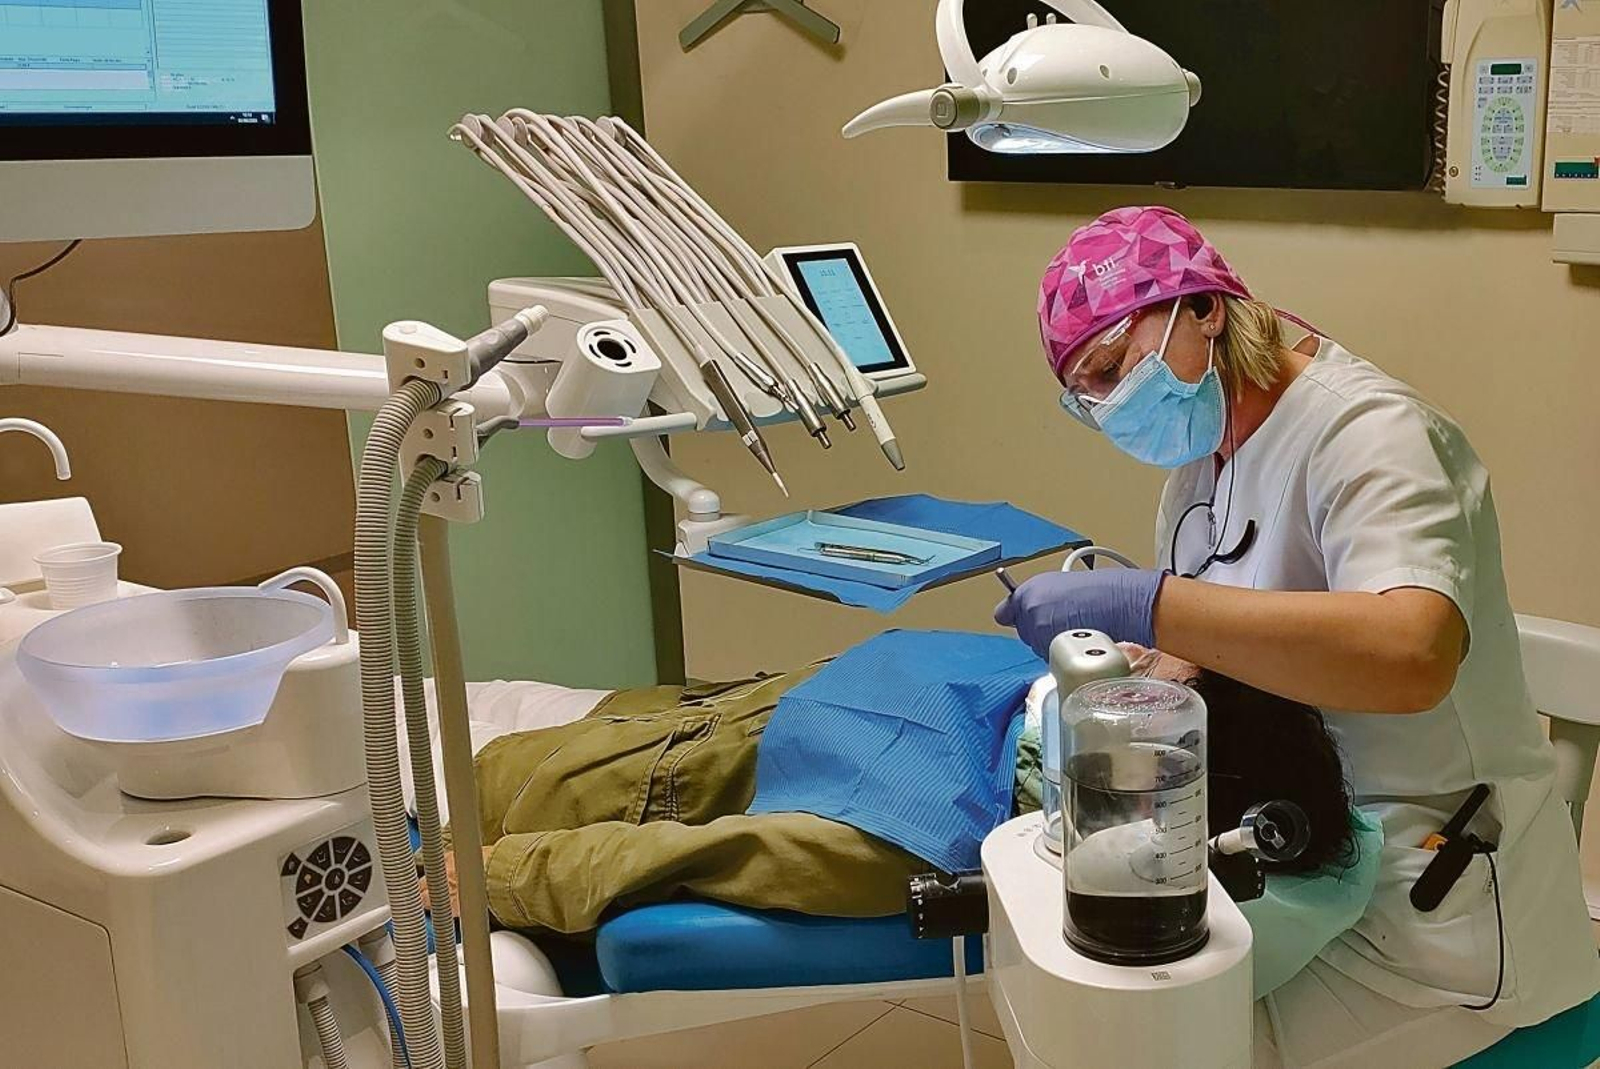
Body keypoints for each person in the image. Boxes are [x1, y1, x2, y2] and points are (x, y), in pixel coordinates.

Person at [995, 205, 1598, 1065]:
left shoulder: (1371, 435)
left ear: (1203, 308)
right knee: (1107, 1012)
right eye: (1087, 395)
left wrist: (1156, 604)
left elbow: (1413, 654)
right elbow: (1228, 641)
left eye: (1114, 368)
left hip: (1432, 912)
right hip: (1299, 859)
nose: (1113, 406)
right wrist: (1150, 669)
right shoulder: (1197, 476)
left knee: (1170, 1046)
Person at [423, 636, 1373, 1000]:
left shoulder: (929, 826)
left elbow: (699, 853)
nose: (1131, 647)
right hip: (649, 720)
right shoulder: (1031, 696)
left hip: (535, 803)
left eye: (1163, 663)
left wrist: (493, 874)